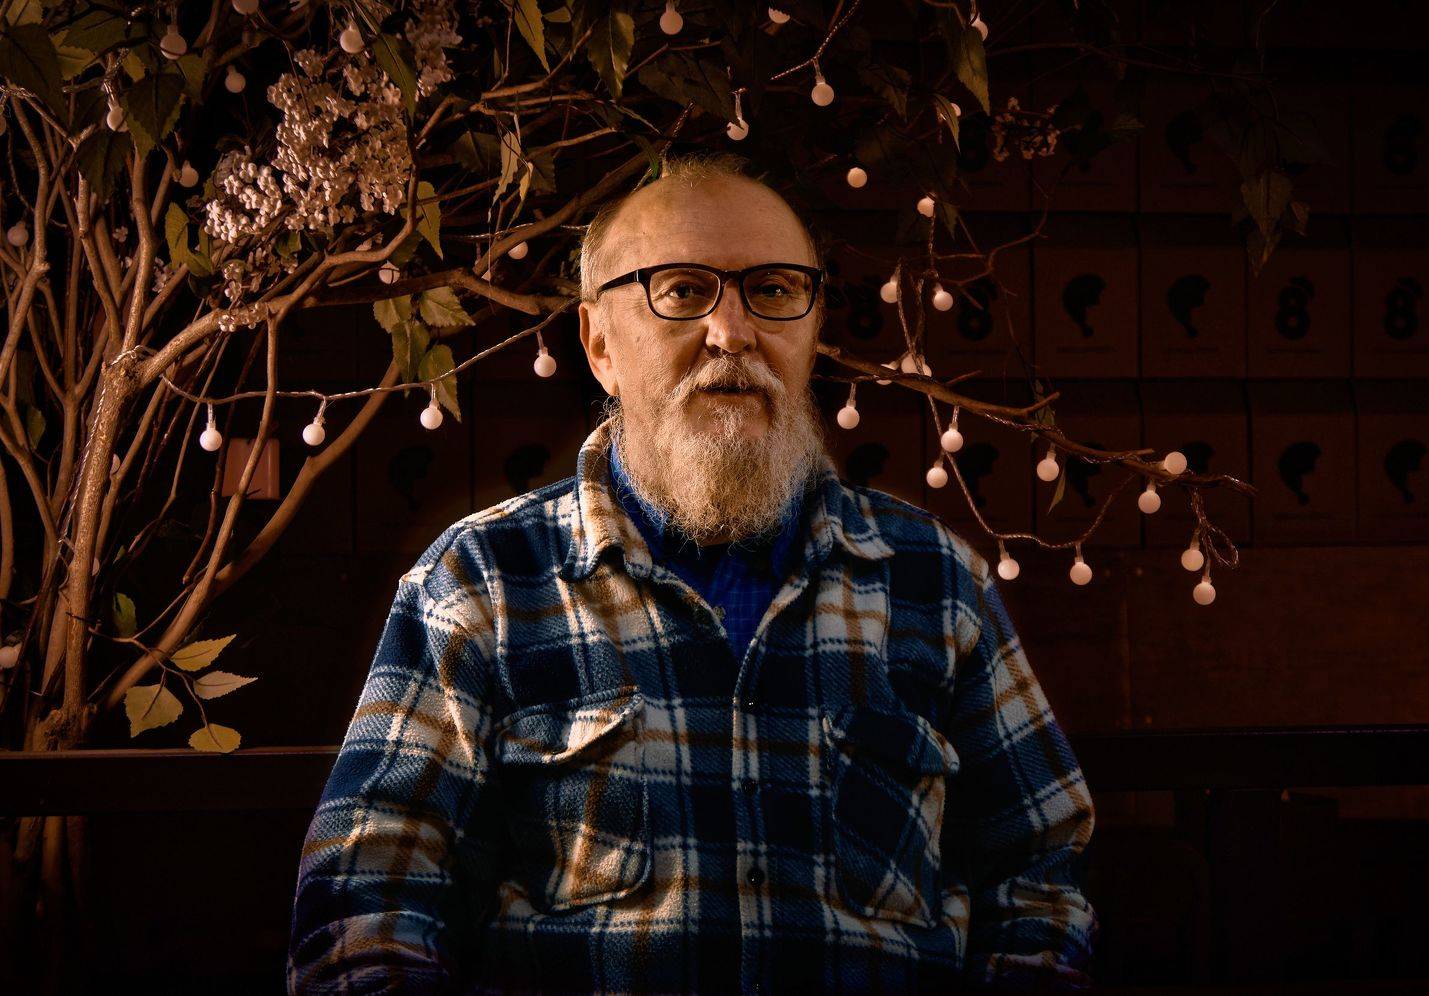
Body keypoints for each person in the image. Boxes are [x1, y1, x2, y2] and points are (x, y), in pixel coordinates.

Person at [287, 151, 1099, 994]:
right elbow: (362, 905)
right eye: (681, 291)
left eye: (774, 291)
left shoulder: (936, 581)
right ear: (599, 344)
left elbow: (1041, 873)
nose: (733, 332)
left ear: (812, 330)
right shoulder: (479, 584)